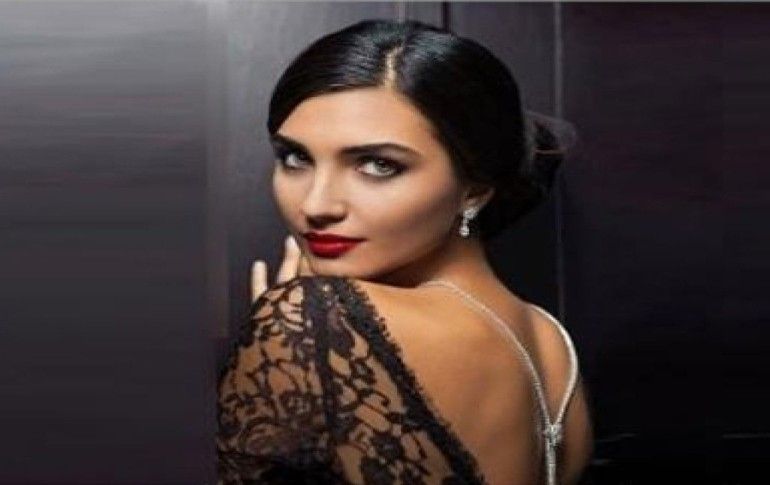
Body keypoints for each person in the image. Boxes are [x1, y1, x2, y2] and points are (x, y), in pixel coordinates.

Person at [216, 18, 593, 485]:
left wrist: (294, 340)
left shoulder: (311, 320)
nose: (316, 205)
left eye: (378, 165)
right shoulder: (552, 344)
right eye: (296, 158)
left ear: (474, 189)